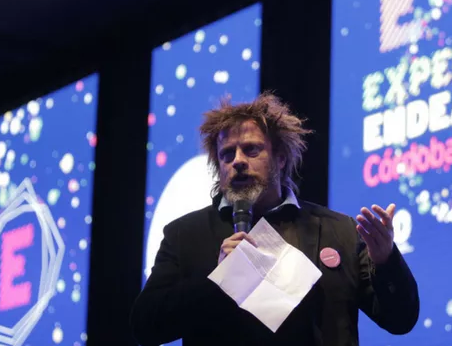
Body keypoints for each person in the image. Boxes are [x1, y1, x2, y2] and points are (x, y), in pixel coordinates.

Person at [130, 92, 419, 346]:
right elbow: (146, 326)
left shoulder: (339, 230)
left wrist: (386, 261)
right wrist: (218, 281)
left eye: (251, 149)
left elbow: (400, 320)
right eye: (227, 154)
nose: (238, 160)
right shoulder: (185, 235)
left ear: (280, 158)